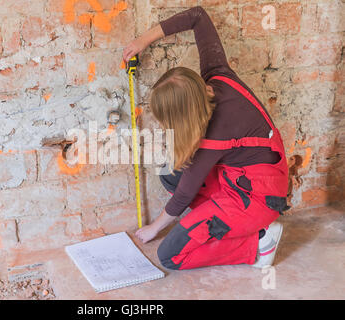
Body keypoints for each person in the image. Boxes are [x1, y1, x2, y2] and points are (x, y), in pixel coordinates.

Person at [122, 6, 290, 270]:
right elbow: (198, 16)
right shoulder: (217, 74)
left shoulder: (212, 136)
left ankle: (258, 242)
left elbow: (183, 197)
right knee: (170, 173)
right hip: (243, 175)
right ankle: (229, 224)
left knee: (170, 256)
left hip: (258, 197)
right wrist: (142, 41)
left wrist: (154, 228)